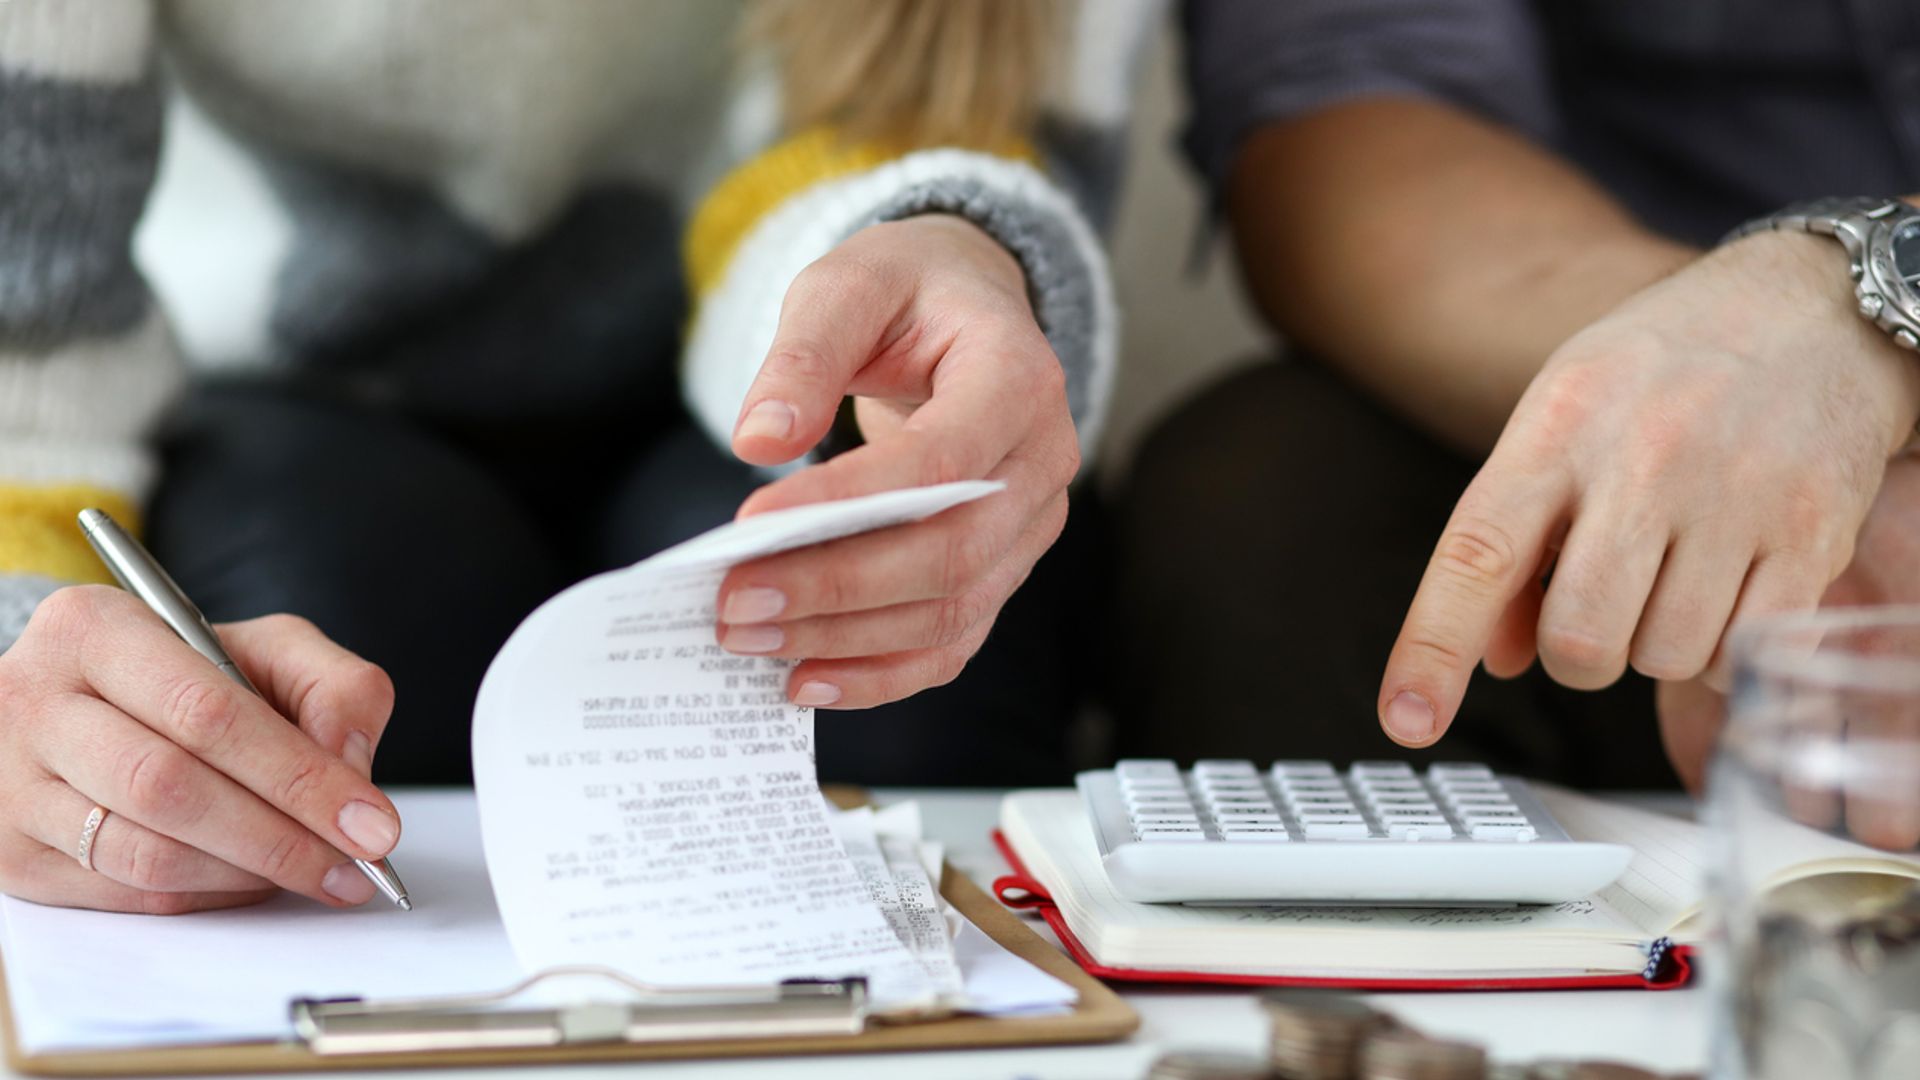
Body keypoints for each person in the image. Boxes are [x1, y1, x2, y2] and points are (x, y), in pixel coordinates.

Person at [0, 0, 1160, 914]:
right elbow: (28, 312)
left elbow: (928, 130)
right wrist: (21, 651)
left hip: (766, 363)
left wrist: (948, 265)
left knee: (881, 655)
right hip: (296, 393)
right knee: (312, 628)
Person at [1114, 0, 1920, 795]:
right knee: (1273, 495)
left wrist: (1853, 374)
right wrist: (1743, 393)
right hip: (1583, 317)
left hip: (1779, 403)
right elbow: (1350, 123)